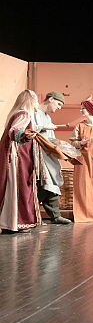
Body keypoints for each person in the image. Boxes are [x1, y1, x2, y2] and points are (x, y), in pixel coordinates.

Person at [0, 90, 42, 233]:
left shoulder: (17, 113)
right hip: (17, 158)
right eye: (36, 101)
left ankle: (10, 222)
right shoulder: (24, 114)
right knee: (19, 188)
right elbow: (14, 130)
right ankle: (16, 222)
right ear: (31, 101)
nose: (38, 104)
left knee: (14, 187)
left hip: (17, 156)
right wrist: (23, 135)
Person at [33, 91, 72, 224]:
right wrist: (42, 127)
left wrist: (61, 148)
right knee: (40, 184)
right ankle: (32, 215)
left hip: (47, 155)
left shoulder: (48, 118)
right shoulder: (34, 112)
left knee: (51, 181)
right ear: (50, 99)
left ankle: (55, 216)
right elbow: (28, 130)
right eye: (59, 104)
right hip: (36, 154)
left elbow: (51, 139)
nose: (59, 107)